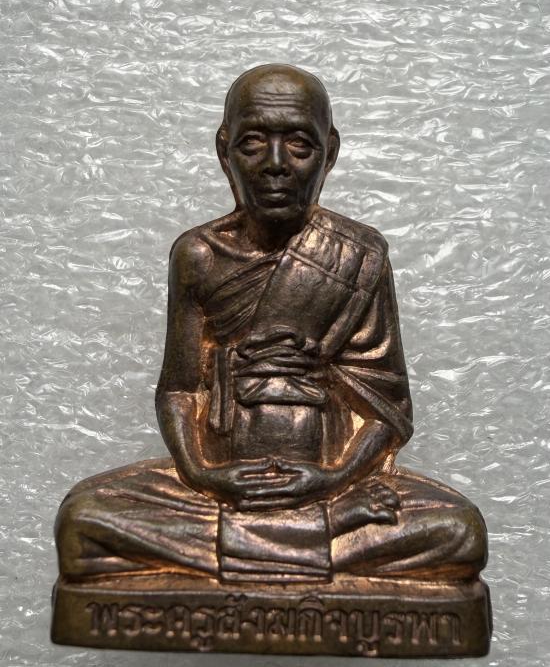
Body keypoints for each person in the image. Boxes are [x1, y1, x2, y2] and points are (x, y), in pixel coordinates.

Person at [55, 64, 487, 584]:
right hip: (224, 484)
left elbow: (386, 407)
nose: (276, 164)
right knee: (82, 522)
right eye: (253, 143)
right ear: (224, 151)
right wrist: (202, 473)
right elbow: (180, 388)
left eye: (300, 145)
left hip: (331, 479)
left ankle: (253, 548)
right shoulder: (198, 255)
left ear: (330, 152)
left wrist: (334, 477)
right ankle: (318, 542)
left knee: (460, 532)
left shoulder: (358, 254)